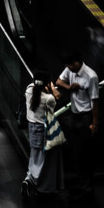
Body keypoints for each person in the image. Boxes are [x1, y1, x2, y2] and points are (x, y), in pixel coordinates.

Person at [55, 53, 99, 197]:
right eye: (67, 65)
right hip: (74, 115)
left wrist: (94, 123)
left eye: (71, 65)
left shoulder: (91, 76)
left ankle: (86, 186)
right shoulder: (70, 70)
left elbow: (95, 101)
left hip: (86, 117)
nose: (68, 68)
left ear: (78, 62)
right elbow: (58, 81)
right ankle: (80, 182)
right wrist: (70, 87)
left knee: (85, 151)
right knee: (76, 150)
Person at [21, 70, 64, 199]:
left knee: (35, 155)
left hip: (31, 127)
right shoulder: (48, 98)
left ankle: (30, 179)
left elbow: (34, 88)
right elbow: (53, 106)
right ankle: (31, 181)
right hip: (43, 129)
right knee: (42, 158)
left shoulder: (29, 90)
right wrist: (51, 88)